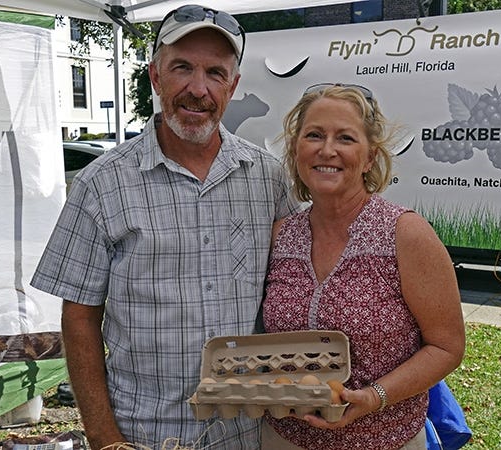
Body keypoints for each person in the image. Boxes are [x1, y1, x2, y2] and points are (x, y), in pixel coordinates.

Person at [30, 5, 300, 449]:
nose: (199, 89)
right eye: (182, 68)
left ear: (232, 86)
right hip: (145, 435)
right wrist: (104, 438)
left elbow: (297, 283)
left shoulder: (268, 176)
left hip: (249, 432)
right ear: (155, 76)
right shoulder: (102, 182)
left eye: (215, 73)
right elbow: (79, 319)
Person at [261, 83, 466, 450]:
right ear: (296, 150)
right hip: (284, 438)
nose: (327, 150)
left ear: (370, 156)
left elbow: (447, 346)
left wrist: (373, 397)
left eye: (345, 138)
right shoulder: (282, 236)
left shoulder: (404, 234)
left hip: (384, 439)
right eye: (314, 135)